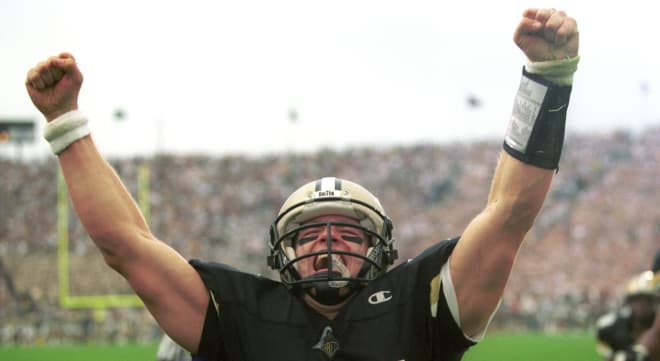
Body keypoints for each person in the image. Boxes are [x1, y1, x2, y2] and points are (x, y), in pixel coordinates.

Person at [25, 8, 579, 360]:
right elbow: (126, 247)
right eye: (311, 233)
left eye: (346, 231)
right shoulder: (239, 316)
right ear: (283, 249)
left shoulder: (420, 306)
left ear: (378, 247)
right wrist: (67, 124)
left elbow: (509, 213)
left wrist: (548, 78)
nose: (329, 243)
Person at [596, 269, 659, 361]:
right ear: (630, 302)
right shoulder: (612, 327)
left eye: (646, 300)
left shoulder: (657, 324)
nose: (641, 305)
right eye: (636, 300)